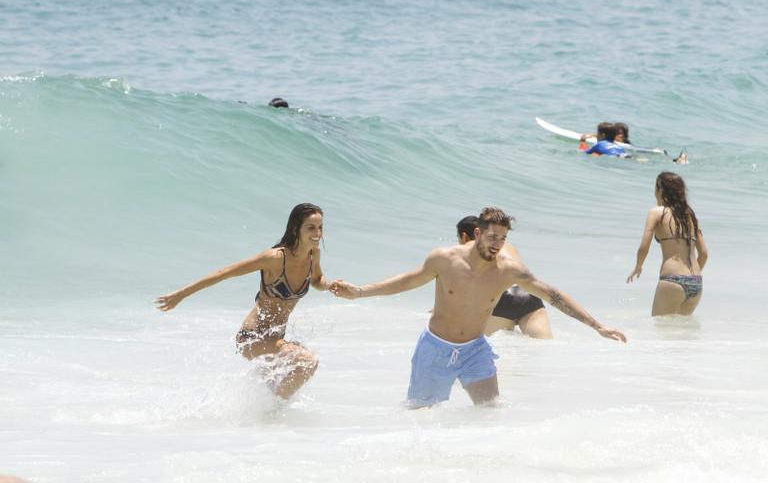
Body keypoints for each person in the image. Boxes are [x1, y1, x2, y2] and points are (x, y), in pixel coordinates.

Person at [330, 207, 626, 408]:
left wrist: (597, 326)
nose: (498, 244)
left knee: (489, 412)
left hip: (475, 350)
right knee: (419, 418)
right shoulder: (444, 259)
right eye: (492, 236)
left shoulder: (509, 270)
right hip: (435, 350)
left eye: (503, 238)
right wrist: (359, 292)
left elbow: (553, 295)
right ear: (477, 234)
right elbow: (407, 281)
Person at [155, 203, 329, 398]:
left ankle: (265, 417)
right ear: (296, 228)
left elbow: (316, 280)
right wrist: (180, 294)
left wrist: (329, 286)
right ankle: (273, 411)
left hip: (276, 337)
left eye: (320, 227)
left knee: (279, 382)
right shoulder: (275, 258)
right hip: (252, 337)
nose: (318, 233)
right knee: (307, 362)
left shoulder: (313, 254)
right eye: (311, 227)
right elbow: (224, 273)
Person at [456, 216, 552, 339]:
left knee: (499, 349)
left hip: (502, 300)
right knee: (544, 346)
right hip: (528, 295)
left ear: (464, 237)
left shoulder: (470, 252)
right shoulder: (506, 245)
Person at [627, 173, 708, 315]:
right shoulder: (690, 215)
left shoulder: (657, 212)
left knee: (660, 330)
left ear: (660, 190)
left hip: (672, 281)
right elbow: (704, 254)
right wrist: (690, 278)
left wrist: (638, 266)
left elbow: (643, 247)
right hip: (696, 282)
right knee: (682, 331)